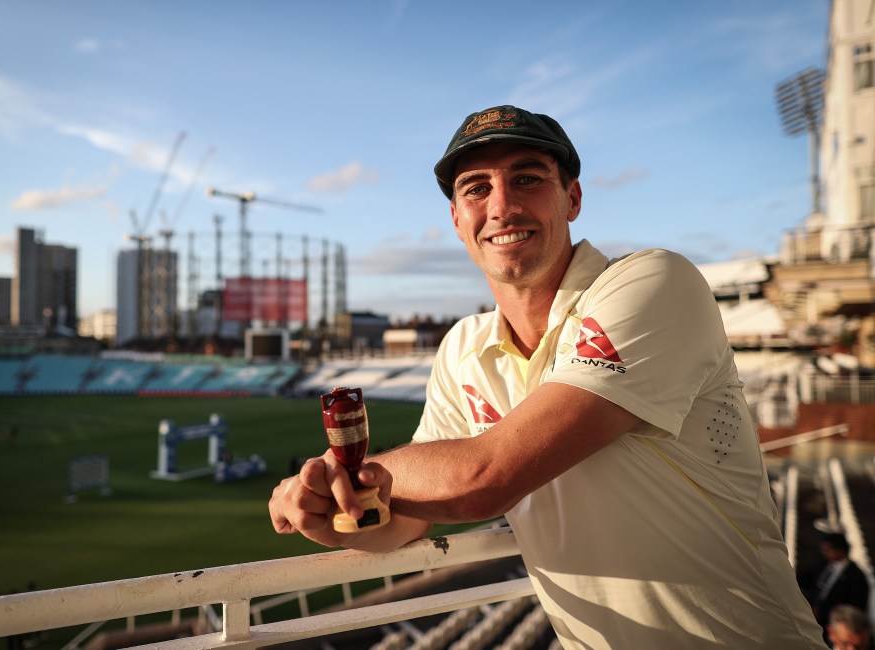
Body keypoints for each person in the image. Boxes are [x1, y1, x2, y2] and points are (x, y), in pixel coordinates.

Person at [270, 105, 827, 648]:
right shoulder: (462, 347)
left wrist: (352, 469)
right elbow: (405, 520)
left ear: (574, 198)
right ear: (457, 219)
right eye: (476, 188)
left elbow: (482, 480)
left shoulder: (655, 282)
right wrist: (328, 508)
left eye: (528, 178)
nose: (502, 206)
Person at [812, 532, 872, 639]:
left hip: (836, 628)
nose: (825, 553)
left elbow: (854, 607)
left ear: (840, 550)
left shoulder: (856, 575)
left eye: (828, 549)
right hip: (816, 623)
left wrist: (822, 614)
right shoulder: (824, 565)